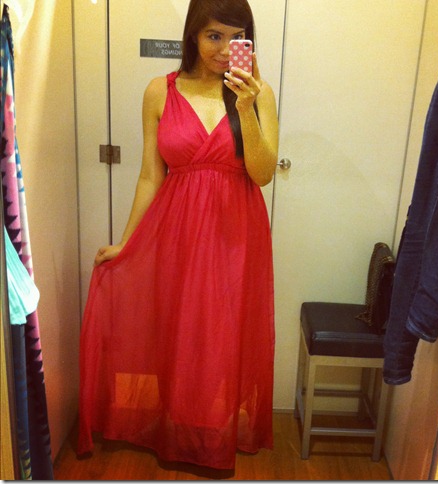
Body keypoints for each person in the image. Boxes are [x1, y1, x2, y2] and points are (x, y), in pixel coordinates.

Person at [77, 0, 279, 471]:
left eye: (237, 38)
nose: (226, 49)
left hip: (236, 235)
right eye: (214, 36)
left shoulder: (259, 93)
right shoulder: (159, 91)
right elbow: (151, 175)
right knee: (177, 330)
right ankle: (176, 430)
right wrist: (127, 242)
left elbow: (264, 173)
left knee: (221, 337)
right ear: (193, 34)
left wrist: (246, 108)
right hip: (176, 233)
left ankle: (212, 434)